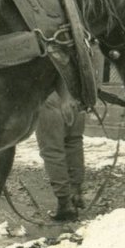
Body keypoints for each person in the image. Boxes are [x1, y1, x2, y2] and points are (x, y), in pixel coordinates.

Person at [36, 91, 86, 221]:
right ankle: (76, 194)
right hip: (75, 99)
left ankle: (65, 204)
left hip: (50, 99)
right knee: (74, 143)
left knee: (52, 151)